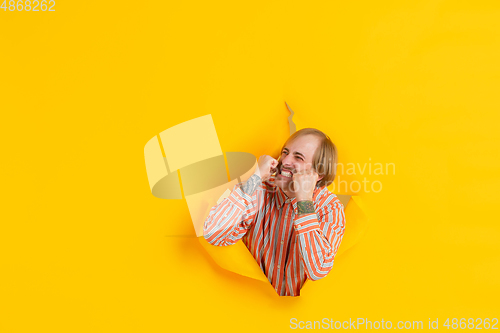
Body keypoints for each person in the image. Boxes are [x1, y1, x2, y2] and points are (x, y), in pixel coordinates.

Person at [203, 128, 346, 296]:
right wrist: (255, 177)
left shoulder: (330, 207)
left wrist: (304, 201)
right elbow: (214, 234)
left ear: (318, 174)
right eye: (285, 152)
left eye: (298, 157)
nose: (285, 161)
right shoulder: (259, 189)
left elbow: (318, 269)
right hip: (248, 302)